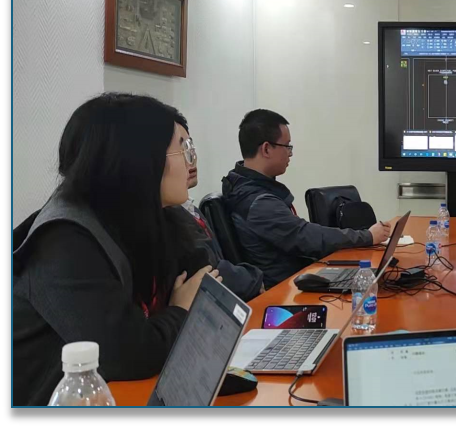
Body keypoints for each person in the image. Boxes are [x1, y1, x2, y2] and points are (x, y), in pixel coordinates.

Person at [12, 93, 220, 405]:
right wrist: (180, 310)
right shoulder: (64, 241)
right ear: (140, 159)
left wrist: (184, 306)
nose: (191, 162)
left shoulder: (145, 214)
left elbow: (203, 275)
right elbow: (129, 354)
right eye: (182, 149)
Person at [222, 109, 392, 287]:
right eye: (287, 146)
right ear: (266, 149)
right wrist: (368, 236)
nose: (290, 153)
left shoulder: (244, 187)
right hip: (285, 289)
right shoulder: (258, 202)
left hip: (296, 278)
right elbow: (307, 236)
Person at [171, 125, 265, 301]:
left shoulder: (190, 208)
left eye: (190, 147)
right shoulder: (170, 218)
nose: (191, 160)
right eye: (180, 150)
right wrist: (255, 279)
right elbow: (210, 270)